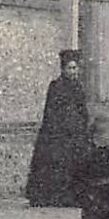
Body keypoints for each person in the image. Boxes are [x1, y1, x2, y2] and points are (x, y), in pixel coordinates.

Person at [26, 49, 93, 207]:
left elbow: (83, 110)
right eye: (70, 68)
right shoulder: (56, 86)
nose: (73, 71)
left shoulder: (78, 87)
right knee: (56, 163)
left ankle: (74, 196)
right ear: (63, 69)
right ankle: (54, 196)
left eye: (75, 68)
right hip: (58, 132)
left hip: (76, 132)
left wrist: (84, 127)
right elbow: (50, 110)